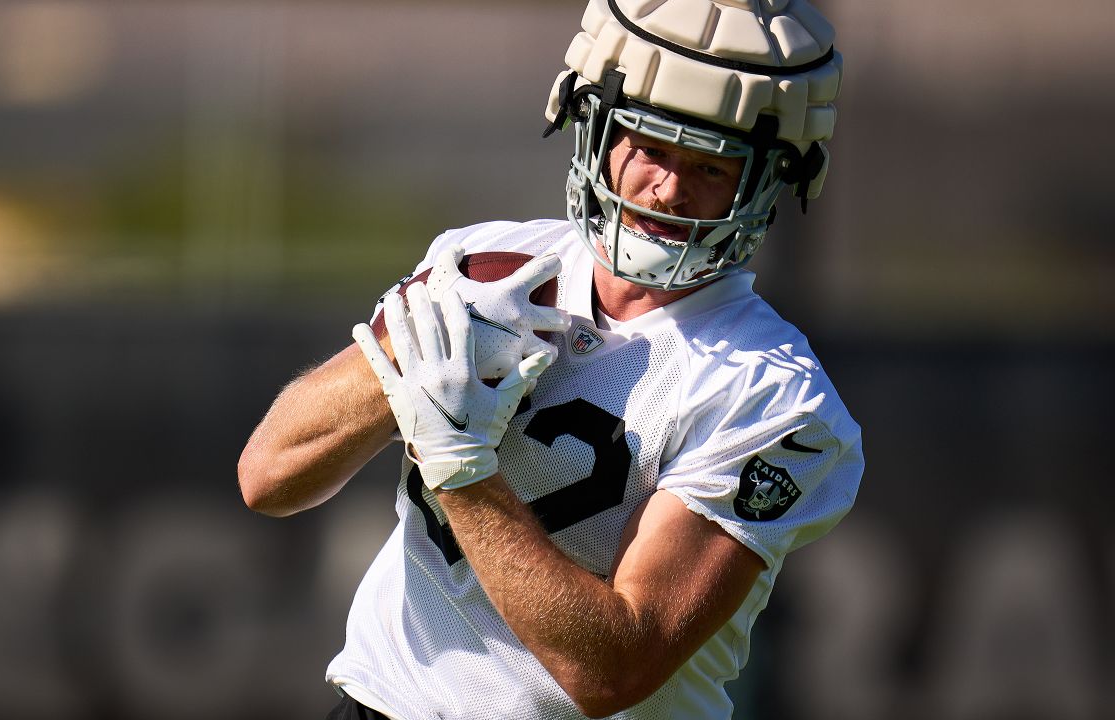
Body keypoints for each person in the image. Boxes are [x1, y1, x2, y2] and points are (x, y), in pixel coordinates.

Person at [238, 1, 863, 718]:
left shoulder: (774, 396)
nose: (669, 187)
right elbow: (268, 476)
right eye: (651, 145)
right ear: (591, 122)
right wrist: (400, 373)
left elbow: (612, 670)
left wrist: (459, 465)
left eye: (711, 166)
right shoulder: (483, 268)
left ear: (769, 180)